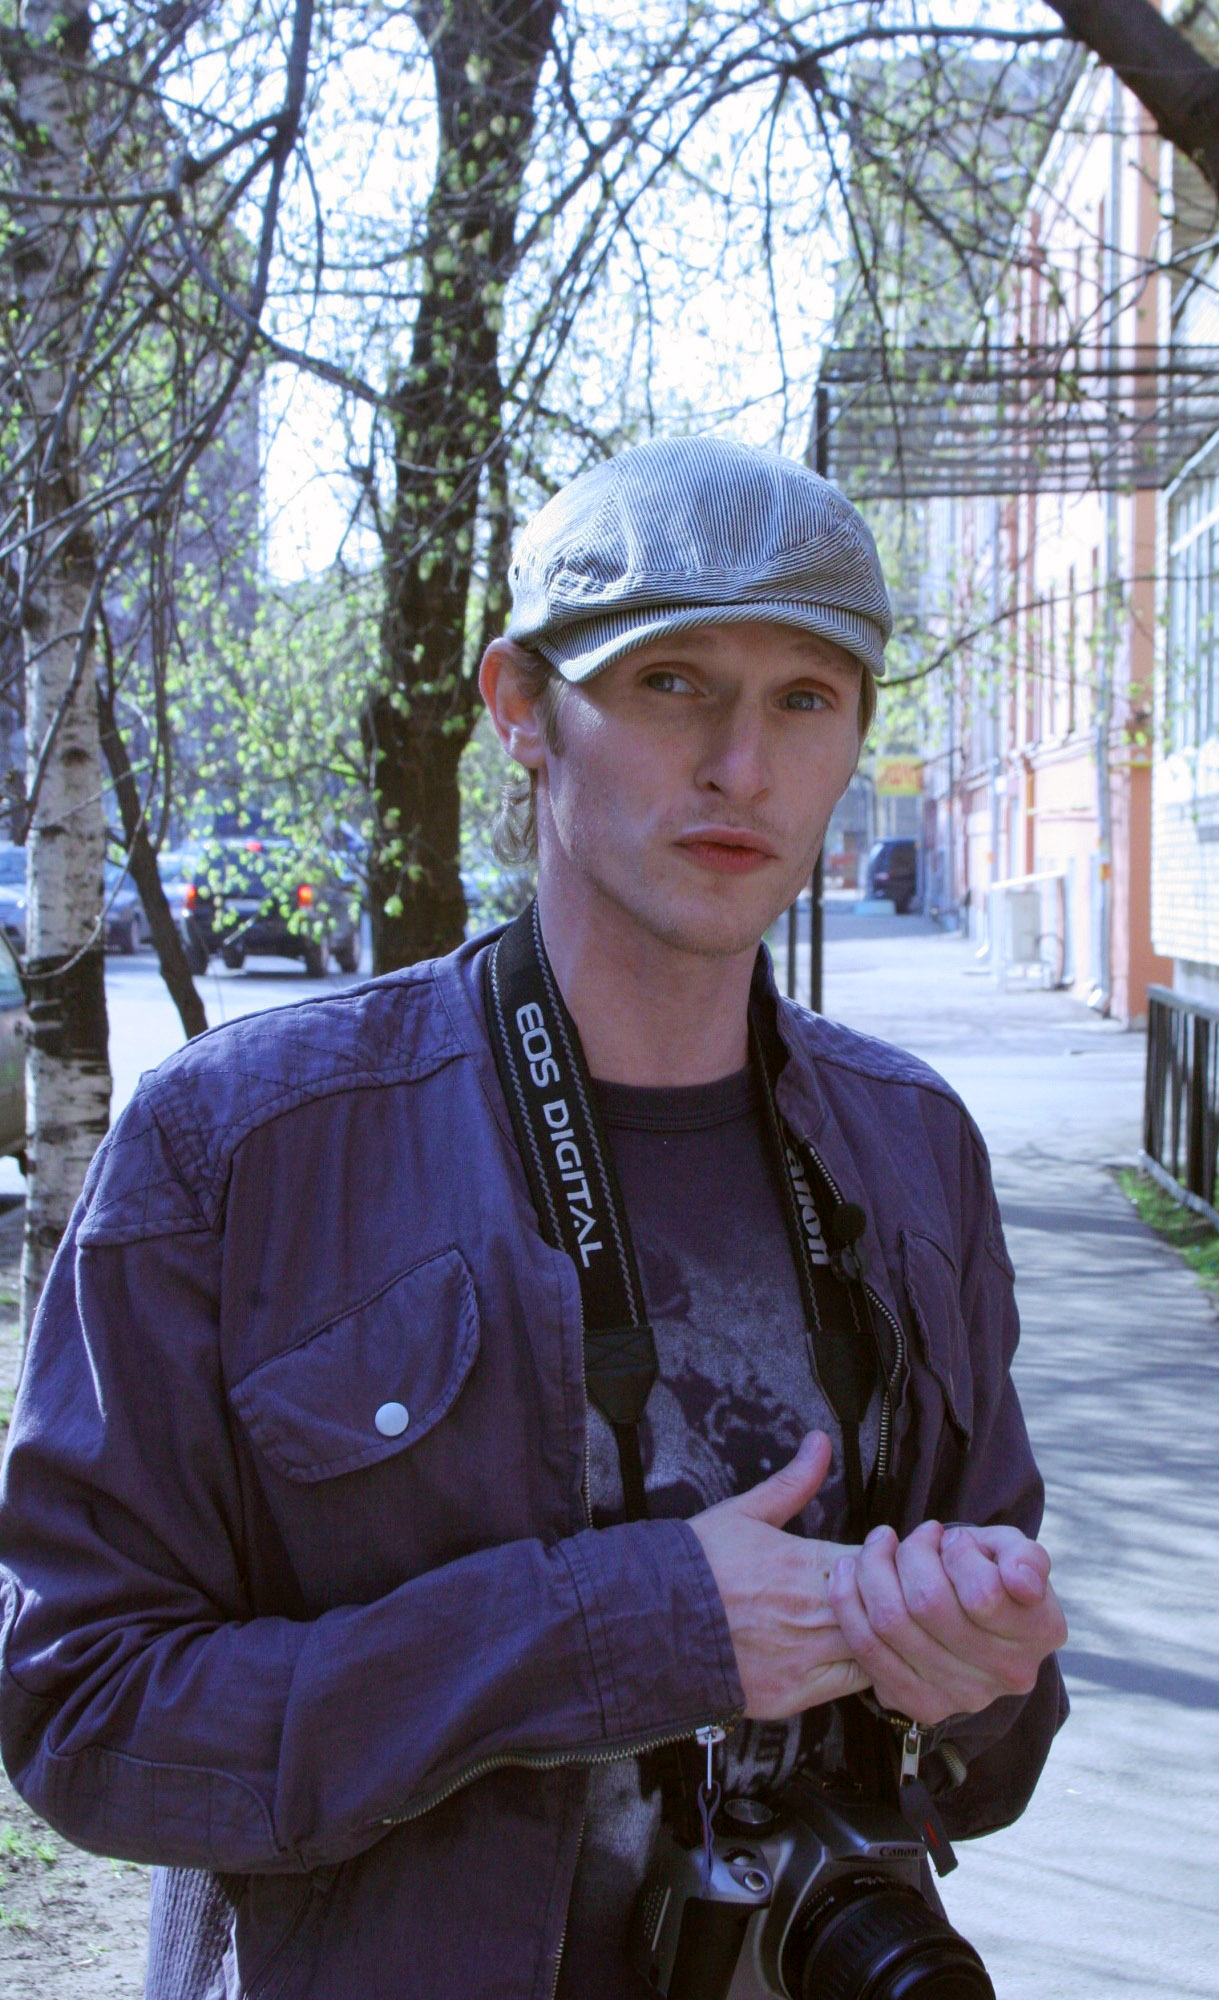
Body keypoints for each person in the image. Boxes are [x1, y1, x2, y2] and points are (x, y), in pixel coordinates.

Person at [0, 436, 1066, 1999]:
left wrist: (972, 1675)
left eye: (803, 699)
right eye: (670, 684)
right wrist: (609, 1637)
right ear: (519, 707)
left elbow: (990, 1756)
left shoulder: (912, 1151)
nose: (742, 768)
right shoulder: (243, 1143)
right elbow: (84, 1718)